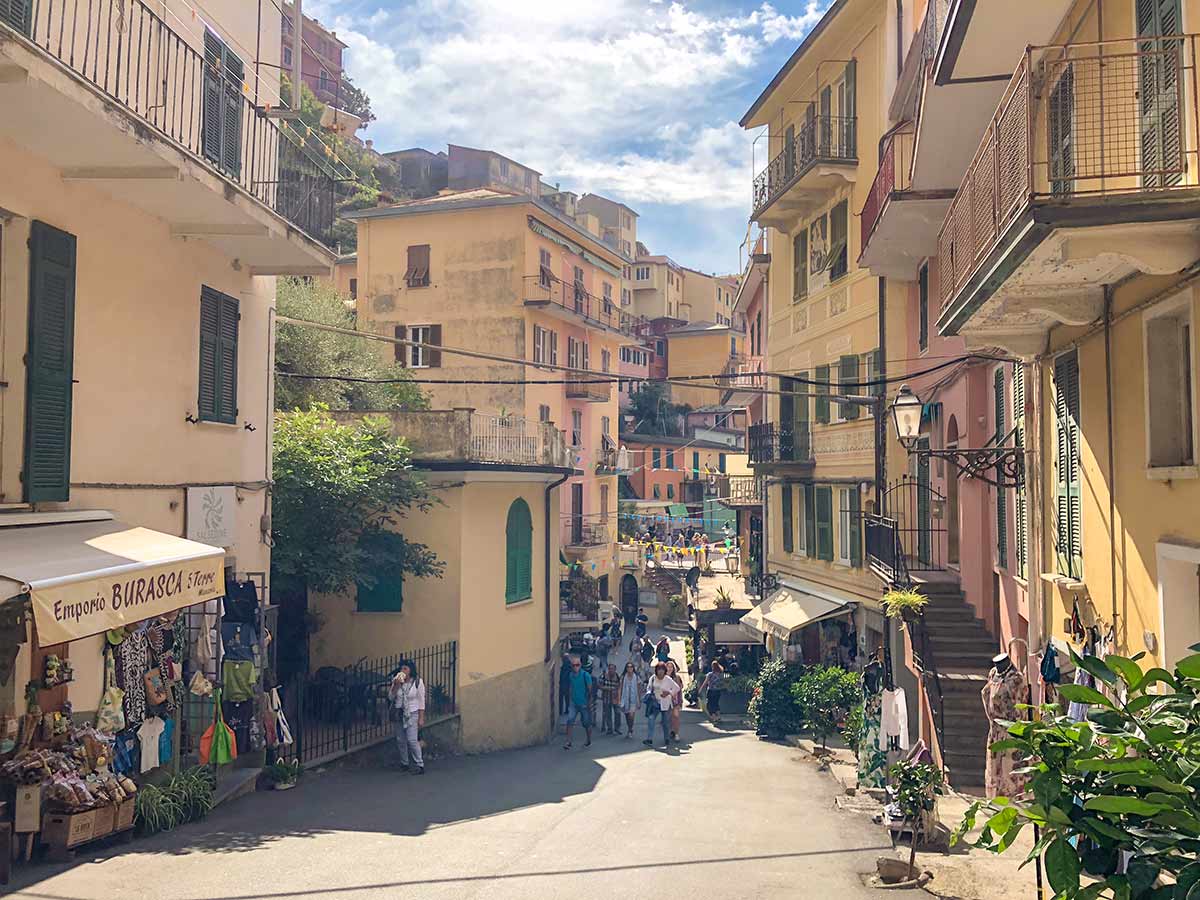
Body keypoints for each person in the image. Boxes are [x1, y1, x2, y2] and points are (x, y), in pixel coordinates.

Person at [387, 660, 426, 774]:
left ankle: (420, 764)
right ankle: (404, 763)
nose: (403, 671)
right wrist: (396, 685)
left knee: (412, 740)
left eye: (405, 669)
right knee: (400, 740)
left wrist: (421, 718)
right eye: (401, 668)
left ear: (410, 670)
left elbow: (421, 701)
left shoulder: (418, 682)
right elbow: (390, 697)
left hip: (412, 713)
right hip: (399, 712)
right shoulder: (396, 681)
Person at [643, 662, 680, 747]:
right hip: (655, 703)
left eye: (662, 670)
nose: (660, 672)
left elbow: (677, 688)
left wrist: (669, 693)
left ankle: (666, 738)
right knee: (651, 719)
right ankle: (649, 739)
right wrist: (649, 693)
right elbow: (649, 687)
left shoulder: (668, 679)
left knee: (665, 722)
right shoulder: (653, 678)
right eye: (659, 669)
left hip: (665, 703)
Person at [563, 657, 594, 750]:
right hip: (574, 703)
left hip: (584, 704)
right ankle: (568, 741)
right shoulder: (570, 675)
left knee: (586, 723)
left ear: (580, 665)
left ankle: (588, 739)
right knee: (570, 720)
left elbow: (590, 690)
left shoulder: (586, 675)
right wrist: (570, 698)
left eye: (577, 665)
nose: (575, 667)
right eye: (573, 665)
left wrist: (589, 703)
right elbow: (570, 687)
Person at [618, 661, 640, 739]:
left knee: (631, 715)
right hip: (625, 699)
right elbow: (620, 688)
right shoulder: (623, 677)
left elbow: (638, 688)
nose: (630, 668)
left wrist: (639, 700)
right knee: (627, 715)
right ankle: (629, 727)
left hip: (634, 699)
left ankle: (630, 730)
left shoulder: (636, 677)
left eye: (631, 667)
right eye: (628, 667)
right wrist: (619, 699)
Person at [599, 663, 621, 735]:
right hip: (606, 698)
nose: (611, 670)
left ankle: (617, 728)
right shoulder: (603, 676)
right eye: (610, 669)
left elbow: (619, 687)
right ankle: (610, 728)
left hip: (615, 698)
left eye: (613, 669)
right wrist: (609, 688)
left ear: (615, 670)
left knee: (617, 713)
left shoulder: (617, 677)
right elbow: (599, 685)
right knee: (608, 714)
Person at [665, 660, 684, 740]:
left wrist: (680, 700)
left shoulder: (677, 677)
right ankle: (671, 731)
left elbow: (680, 688)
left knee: (675, 717)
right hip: (666, 701)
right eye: (668, 667)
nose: (669, 669)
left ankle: (676, 734)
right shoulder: (663, 677)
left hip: (675, 701)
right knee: (668, 718)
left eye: (671, 667)